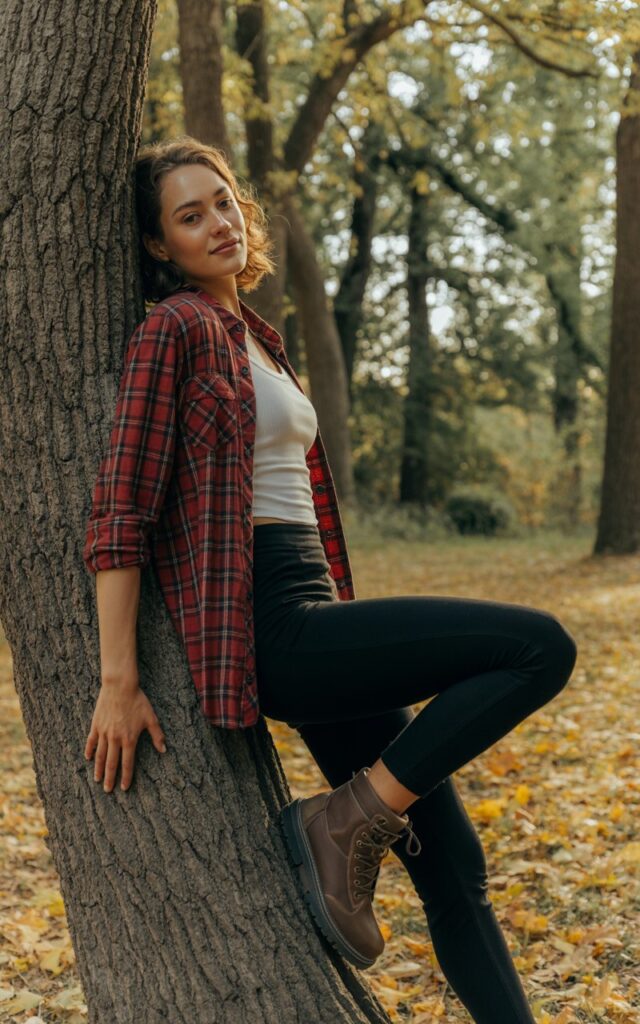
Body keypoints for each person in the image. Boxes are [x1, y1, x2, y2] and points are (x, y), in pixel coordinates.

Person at [82, 135, 578, 1024]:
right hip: (273, 629)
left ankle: (358, 819)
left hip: (319, 614)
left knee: (456, 872)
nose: (218, 224)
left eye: (223, 202)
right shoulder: (178, 328)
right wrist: (118, 680)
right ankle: (345, 823)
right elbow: (121, 510)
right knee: (539, 647)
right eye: (189, 217)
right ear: (161, 247)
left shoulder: (256, 335)